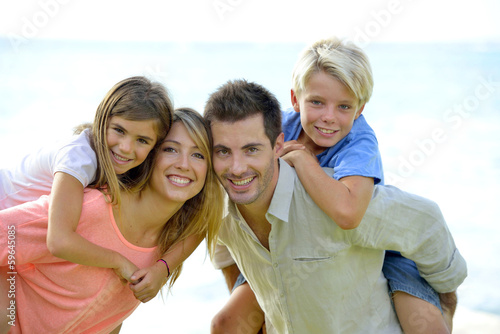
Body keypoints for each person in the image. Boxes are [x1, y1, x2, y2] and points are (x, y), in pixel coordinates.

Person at [211, 38, 456, 333]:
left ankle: (445, 305)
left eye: (344, 106)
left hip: (384, 249)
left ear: (360, 109)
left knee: (428, 325)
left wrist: (305, 162)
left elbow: (349, 213)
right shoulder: (279, 129)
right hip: (287, 249)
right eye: (316, 102)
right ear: (294, 99)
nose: (328, 116)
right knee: (226, 322)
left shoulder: (359, 142)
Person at [0, 108, 225, 333]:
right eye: (170, 149)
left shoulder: (170, 245)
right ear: (150, 156)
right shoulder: (93, 207)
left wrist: (164, 268)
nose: (183, 164)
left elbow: (106, 319)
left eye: (198, 155)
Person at [0, 76, 184, 303]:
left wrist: (162, 268)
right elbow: (59, 241)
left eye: (142, 140)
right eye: (119, 130)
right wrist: (119, 260)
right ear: (102, 119)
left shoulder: (125, 166)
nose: (126, 147)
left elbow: (197, 225)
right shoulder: (78, 159)